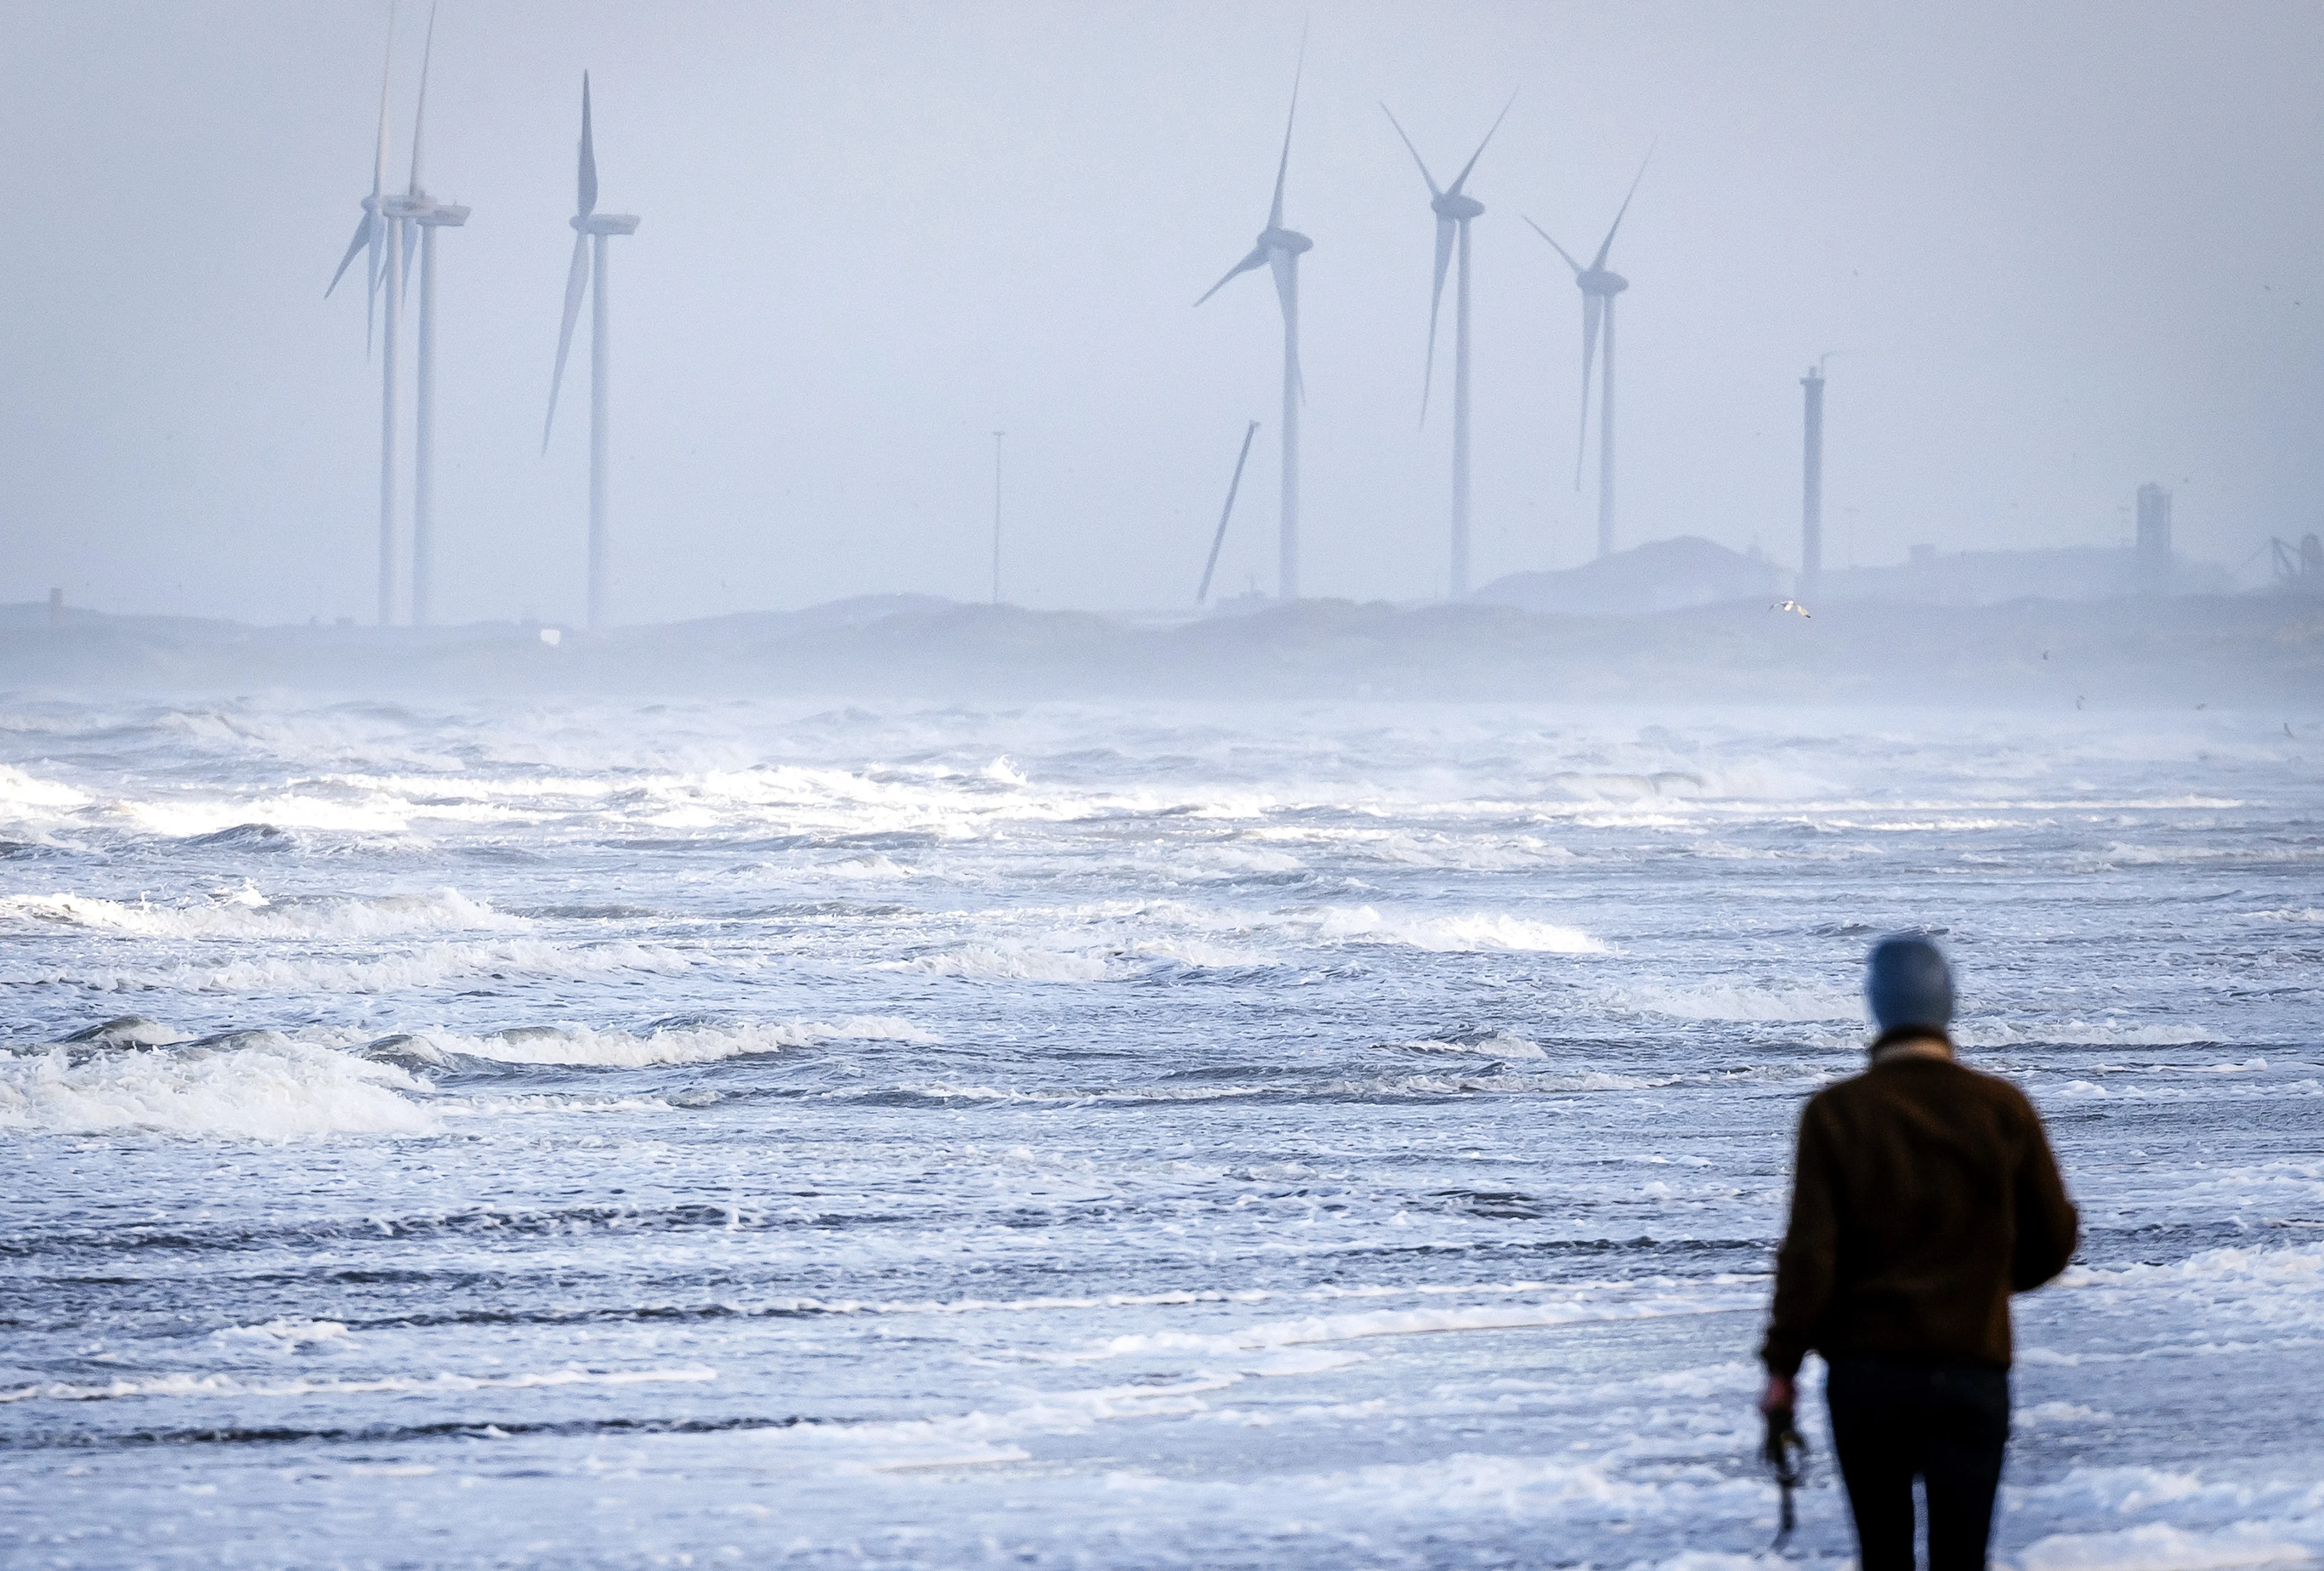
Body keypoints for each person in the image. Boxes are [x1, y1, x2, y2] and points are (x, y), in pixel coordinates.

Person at [1758, 935, 2079, 1570]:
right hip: (1971, 1368)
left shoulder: (1837, 1112)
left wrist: (1782, 1367)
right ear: (1949, 1005)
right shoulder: (2001, 1107)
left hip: (1866, 1377)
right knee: (1962, 1558)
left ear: (1875, 1006)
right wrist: (1980, 1287)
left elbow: (1810, 1259)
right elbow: (2054, 1241)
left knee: (1884, 1556)